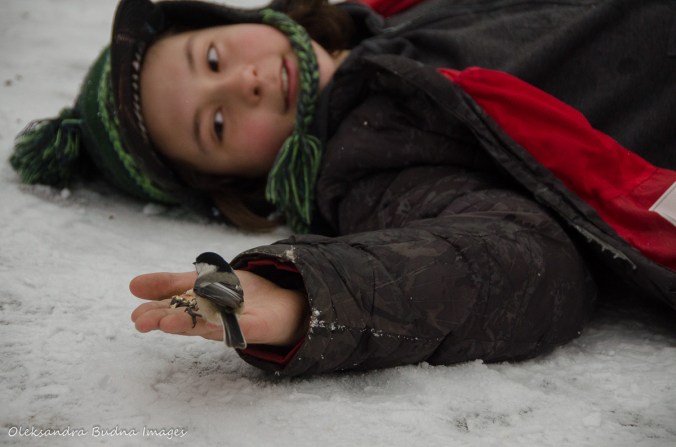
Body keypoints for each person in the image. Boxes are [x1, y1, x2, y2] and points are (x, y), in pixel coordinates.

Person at [10, 0, 676, 376]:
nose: (241, 83)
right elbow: (518, 259)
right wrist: (310, 293)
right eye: (215, 124)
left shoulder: (384, 20)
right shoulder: (369, 163)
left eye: (212, 57)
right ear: (241, 181)